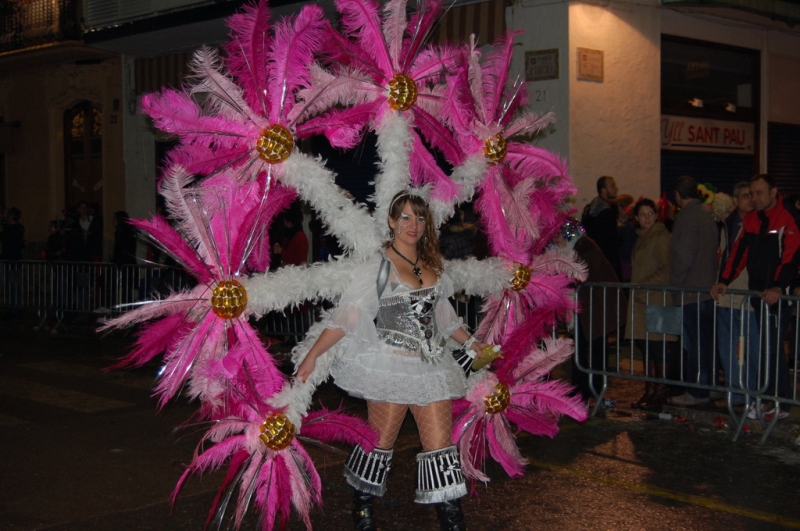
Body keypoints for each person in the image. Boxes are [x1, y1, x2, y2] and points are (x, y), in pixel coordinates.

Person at [295, 191, 490, 531]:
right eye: (404, 217)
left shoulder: (433, 267)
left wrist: (474, 344)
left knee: (441, 450)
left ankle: (452, 522)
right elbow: (348, 317)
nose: (412, 225)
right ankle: (362, 503)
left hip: (432, 368)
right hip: (390, 364)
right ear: (391, 221)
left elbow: (445, 319)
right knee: (380, 443)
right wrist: (313, 355)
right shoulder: (378, 266)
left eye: (418, 218)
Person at [712, 174, 800, 420]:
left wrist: (778, 286)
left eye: (759, 193)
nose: (755, 198)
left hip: (775, 297)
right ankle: (765, 398)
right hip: (758, 294)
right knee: (764, 350)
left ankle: (779, 403)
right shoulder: (752, 219)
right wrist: (724, 280)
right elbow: (738, 253)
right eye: (751, 193)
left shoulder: (788, 217)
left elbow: (791, 258)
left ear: (774, 192)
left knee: (772, 350)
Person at [553, 219, 624, 405]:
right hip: (588, 309)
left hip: (596, 309)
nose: (557, 239)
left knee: (594, 350)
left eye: (560, 234)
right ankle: (582, 389)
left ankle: (592, 388)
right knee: (582, 349)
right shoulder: (575, 248)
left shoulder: (585, 248)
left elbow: (582, 276)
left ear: (569, 234)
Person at [669, 176, 719, 406]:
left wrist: (676, 284)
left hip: (691, 292)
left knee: (695, 345)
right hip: (707, 290)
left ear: (678, 196)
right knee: (705, 343)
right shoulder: (706, 216)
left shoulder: (686, 218)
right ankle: (707, 387)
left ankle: (697, 392)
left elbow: (683, 256)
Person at [625, 198, 676, 410]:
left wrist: (641, 285)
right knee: (647, 347)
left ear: (656, 215)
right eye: (643, 214)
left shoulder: (661, 237)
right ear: (636, 218)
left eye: (650, 213)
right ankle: (650, 390)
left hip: (657, 300)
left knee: (658, 348)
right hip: (643, 300)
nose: (647, 218)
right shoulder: (641, 238)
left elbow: (666, 269)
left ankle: (659, 393)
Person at [715, 182, 759, 405]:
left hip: (746, 297)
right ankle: (734, 392)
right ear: (735, 200)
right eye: (745, 196)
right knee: (728, 349)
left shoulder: (757, 224)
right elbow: (722, 257)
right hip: (726, 297)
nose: (750, 200)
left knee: (748, 350)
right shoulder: (727, 224)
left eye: (752, 195)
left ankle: (748, 393)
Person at [582, 176, 623, 280]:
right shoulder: (606, 212)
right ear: (603, 190)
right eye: (612, 185)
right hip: (607, 263)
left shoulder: (591, 209)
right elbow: (611, 241)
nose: (616, 188)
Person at [273, 202, 308, 267]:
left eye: (285, 221)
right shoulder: (290, 235)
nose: (284, 223)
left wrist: (281, 251)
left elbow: (300, 260)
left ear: (289, 222)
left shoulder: (299, 236)